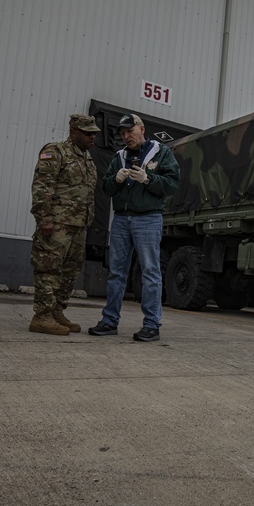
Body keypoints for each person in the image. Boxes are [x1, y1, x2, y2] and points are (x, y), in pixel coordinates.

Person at [89, 113, 180, 342]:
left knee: (150, 272)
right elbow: (106, 189)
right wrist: (116, 180)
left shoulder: (161, 153)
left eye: (129, 131)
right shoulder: (119, 156)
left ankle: (151, 325)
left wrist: (147, 179)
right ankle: (109, 321)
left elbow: (172, 184)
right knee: (116, 272)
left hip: (148, 219)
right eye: (122, 133)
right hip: (121, 219)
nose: (126, 136)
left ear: (142, 129)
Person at [28, 113, 100, 335]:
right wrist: (45, 219)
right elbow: (42, 187)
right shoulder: (56, 151)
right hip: (57, 225)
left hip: (78, 227)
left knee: (70, 272)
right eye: (88, 133)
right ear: (74, 132)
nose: (92, 138)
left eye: (94, 134)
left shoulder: (87, 160)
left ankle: (57, 312)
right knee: (49, 269)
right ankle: (41, 316)